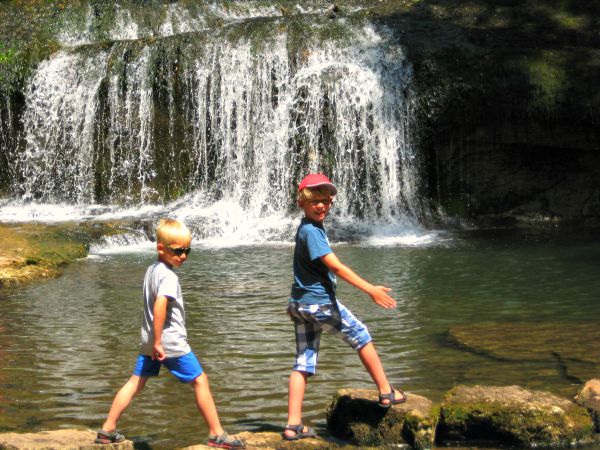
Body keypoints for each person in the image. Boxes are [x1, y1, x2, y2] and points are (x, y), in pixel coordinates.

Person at [95, 218, 245, 449]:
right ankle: (217, 434)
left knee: (137, 382)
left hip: (149, 340)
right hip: (168, 341)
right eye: (177, 251)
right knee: (200, 380)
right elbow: (160, 306)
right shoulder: (169, 276)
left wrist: (152, 342)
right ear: (161, 248)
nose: (183, 256)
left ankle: (107, 429)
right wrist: (159, 342)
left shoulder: (152, 270)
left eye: (187, 251)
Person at [283, 174, 407, 441]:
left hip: (299, 305)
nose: (322, 206)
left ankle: (293, 424)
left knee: (303, 360)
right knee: (361, 336)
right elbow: (336, 266)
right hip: (319, 304)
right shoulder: (313, 233)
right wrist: (370, 289)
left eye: (326, 201)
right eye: (315, 201)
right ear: (302, 203)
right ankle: (386, 391)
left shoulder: (305, 228)